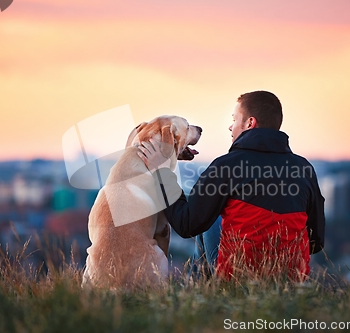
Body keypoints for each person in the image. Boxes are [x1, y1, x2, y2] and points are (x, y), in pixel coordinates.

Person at [138, 91, 325, 281]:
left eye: (235, 119)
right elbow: (316, 241)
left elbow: (186, 224)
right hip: (292, 279)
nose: (230, 126)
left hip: (239, 277)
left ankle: (200, 294)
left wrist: (161, 172)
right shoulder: (304, 169)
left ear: (250, 123)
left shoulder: (226, 166)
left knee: (208, 219)